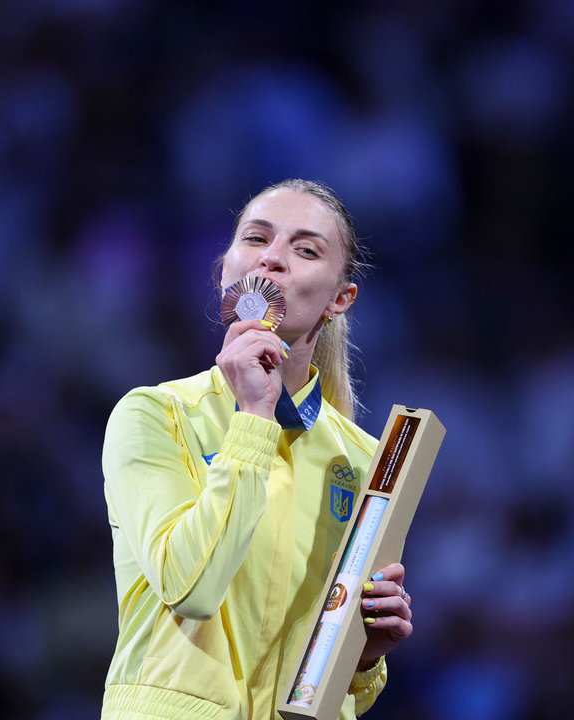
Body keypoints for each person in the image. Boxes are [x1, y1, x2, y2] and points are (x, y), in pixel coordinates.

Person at [100, 179, 413, 719]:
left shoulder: (363, 461)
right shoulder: (154, 416)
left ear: (341, 298)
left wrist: (361, 659)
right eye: (256, 239)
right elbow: (190, 585)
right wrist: (253, 417)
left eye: (305, 249)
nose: (273, 259)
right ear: (226, 270)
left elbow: (328, 691)